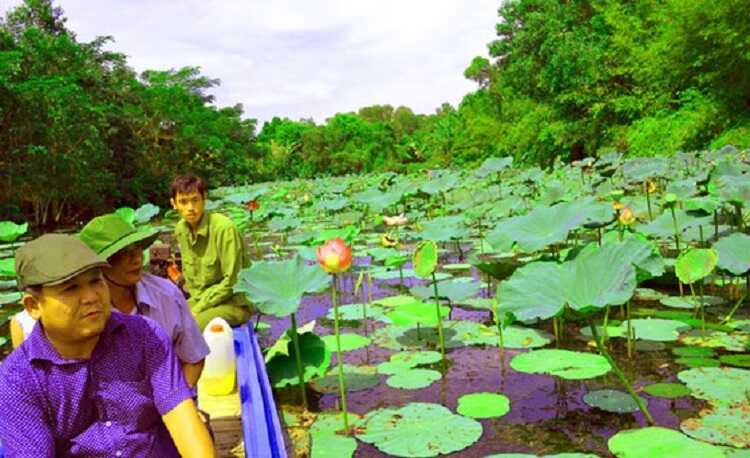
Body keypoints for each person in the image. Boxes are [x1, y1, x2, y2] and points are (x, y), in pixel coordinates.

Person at [0, 234, 214, 457]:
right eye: (71, 288)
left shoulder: (145, 334)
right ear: (33, 306)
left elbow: (181, 418)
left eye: (95, 281)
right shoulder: (17, 380)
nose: (92, 297)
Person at [78, 213, 210, 388]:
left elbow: (194, 358)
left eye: (138, 248)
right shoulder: (82, 311)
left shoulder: (167, 295)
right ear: (99, 265)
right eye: (124, 253)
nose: (137, 258)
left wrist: (176, 405)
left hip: (172, 400)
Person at [170, 173, 252, 329]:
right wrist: (194, 305)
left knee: (190, 328)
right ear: (174, 204)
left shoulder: (224, 229)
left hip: (233, 302)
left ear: (204, 198)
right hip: (201, 298)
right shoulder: (181, 229)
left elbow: (233, 282)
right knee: (166, 320)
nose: (190, 208)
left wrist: (198, 309)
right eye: (183, 202)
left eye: (195, 200)